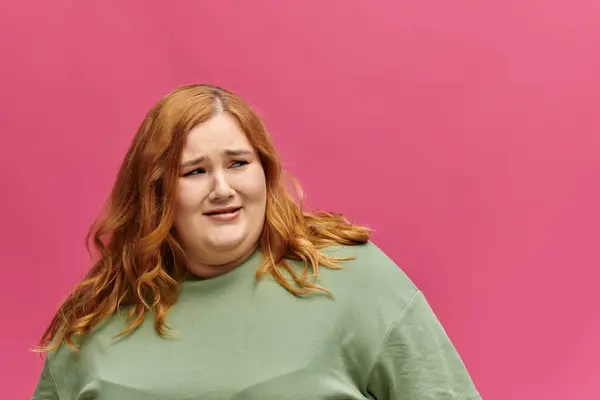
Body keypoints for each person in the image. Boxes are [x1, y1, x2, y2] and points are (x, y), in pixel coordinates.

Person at [31, 84, 481, 400]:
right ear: (155, 192)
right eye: (194, 171)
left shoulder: (354, 280)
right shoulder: (98, 317)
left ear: (265, 173)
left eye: (238, 163)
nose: (222, 188)